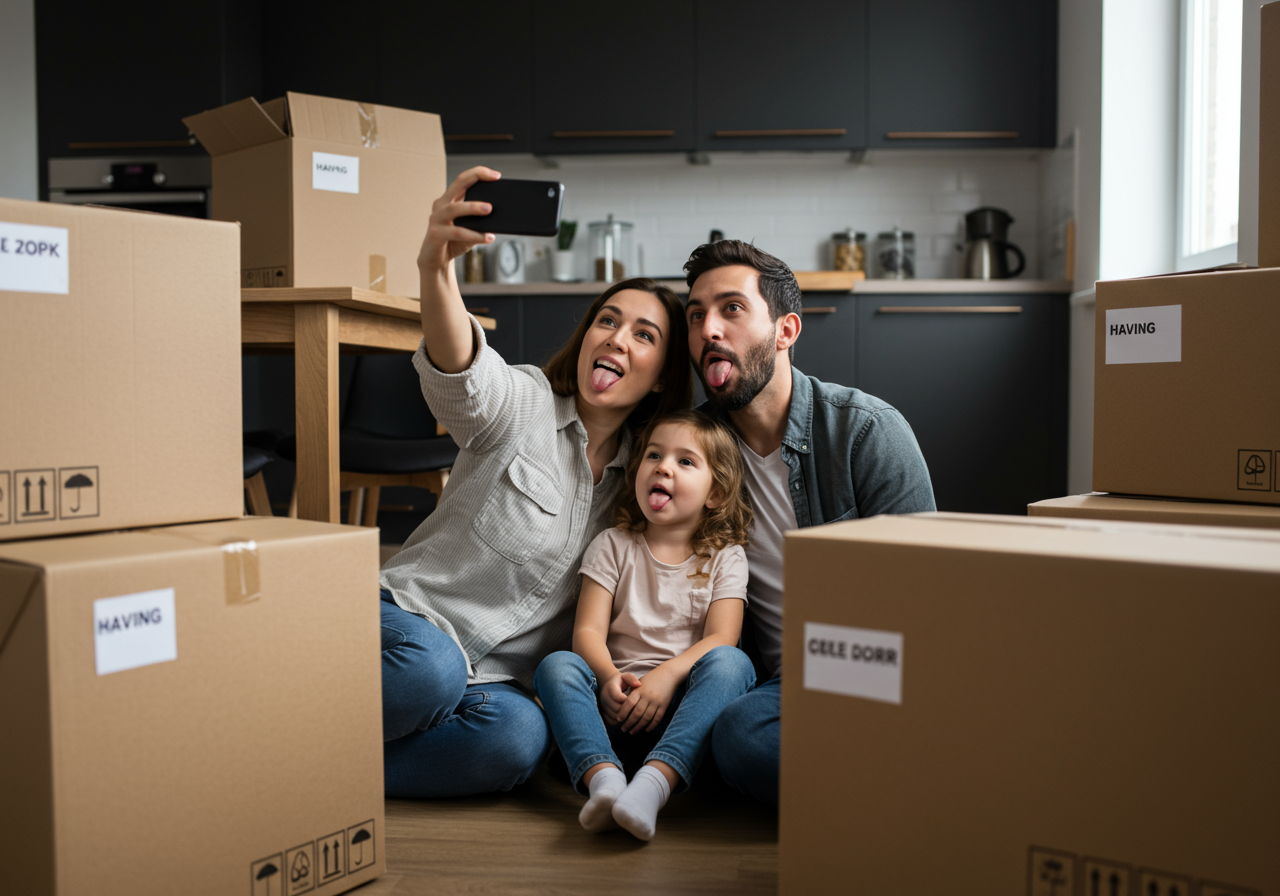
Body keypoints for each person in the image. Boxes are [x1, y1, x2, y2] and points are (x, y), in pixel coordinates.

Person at [377, 167, 693, 798]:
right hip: (406, 628)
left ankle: (312, 765)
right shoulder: (523, 402)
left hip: (491, 680)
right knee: (432, 670)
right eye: (607, 321)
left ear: (661, 375)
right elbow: (461, 370)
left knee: (519, 739)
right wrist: (435, 268)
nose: (616, 338)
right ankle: (274, 733)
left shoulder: (649, 486)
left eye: (644, 334)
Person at [683, 239, 936, 805]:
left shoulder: (867, 431)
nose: (708, 330)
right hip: (769, 683)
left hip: (872, 671)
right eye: (696, 315)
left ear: (786, 331)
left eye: (731, 308)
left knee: (739, 744)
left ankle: (913, 770)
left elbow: (927, 597)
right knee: (735, 735)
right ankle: (899, 776)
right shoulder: (691, 447)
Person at [533, 409, 756, 840]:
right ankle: (604, 781)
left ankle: (653, 786)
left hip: (680, 716)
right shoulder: (613, 545)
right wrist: (610, 678)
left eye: (685, 461)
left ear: (717, 493)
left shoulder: (726, 556)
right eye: (654, 455)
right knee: (556, 665)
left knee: (734, 664)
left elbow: (723, 637)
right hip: (611, 710)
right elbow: (587, 634)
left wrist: (666, 677)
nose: (663, 467)